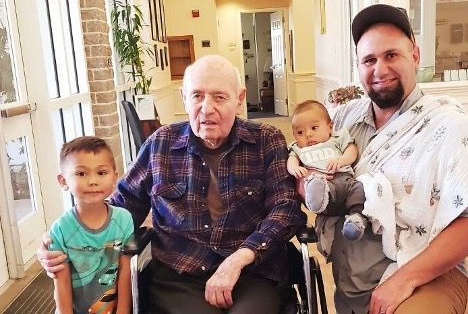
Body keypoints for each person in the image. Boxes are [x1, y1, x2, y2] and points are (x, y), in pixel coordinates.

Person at [38, 55, 306, 314]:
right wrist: (62, 241)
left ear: (240, 99)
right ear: (184, 98)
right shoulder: (161, 143)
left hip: (251, 272)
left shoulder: (265, 140)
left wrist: (240, 258)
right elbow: (121, 207)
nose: (207, 107)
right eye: (197, 95)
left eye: (220, 97)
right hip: (180, 274)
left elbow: (285, 210)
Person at [316, 4, 468, 314]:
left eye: (391, 55)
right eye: (369, 60)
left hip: (430, 269)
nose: (380, 70)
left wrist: (404, 280)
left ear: (415, 55)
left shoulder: (451, 124)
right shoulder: (345, 118)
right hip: (356, 273)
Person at [49, 136, 133, 314]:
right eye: (81, 173)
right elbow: (61, 282)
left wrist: (123, 311)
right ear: (63, 181)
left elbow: (126, 270)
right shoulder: (61, 229)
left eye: (101, 173)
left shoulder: (125, 220)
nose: (93, 181)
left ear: (114, 178)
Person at [287, 100, 367, 241]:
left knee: (359, 188)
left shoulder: (336, 139)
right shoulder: (298, 148)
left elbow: (351, 150)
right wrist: (294, 168)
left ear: (330, 127)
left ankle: (356, 219)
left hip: (344, 178)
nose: (308, 135)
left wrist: (342, 160)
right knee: (317, 186)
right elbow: (291, 160)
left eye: (314, 128)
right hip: (324, 185)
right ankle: (318, 199)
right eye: (300, 132)